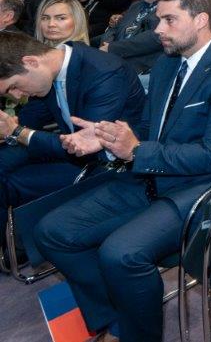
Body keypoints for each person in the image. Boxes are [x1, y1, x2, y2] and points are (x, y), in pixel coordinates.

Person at [37, 0, 211, 342]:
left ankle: (137, 335)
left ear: (201, 20)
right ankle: (117, 317)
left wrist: (136, 152)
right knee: (52, 231)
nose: (158, 29)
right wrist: (108, 138)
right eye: (158, 19)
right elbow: (147, 127)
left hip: (208, 185)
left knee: (121, 253)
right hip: (155, 173)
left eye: (169, 20)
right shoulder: (166, 64)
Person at [0, 33, 145, 229]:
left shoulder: (105, 73)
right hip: (69, 150)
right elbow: (29, 118)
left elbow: (85, 145)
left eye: (14, 86)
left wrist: (16, 132)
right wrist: (10, 128)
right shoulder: (47, 75)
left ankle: (17, 242)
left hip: (107, 165)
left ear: (31, 62)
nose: (17, 96)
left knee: (10, 183)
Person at [99, 0, 176, 79]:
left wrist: (112, 48)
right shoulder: (137, 5)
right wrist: (106, 45)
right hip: (112, 61)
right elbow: (114, 28)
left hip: (141, 70)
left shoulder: (174, 9)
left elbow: (154, 38)